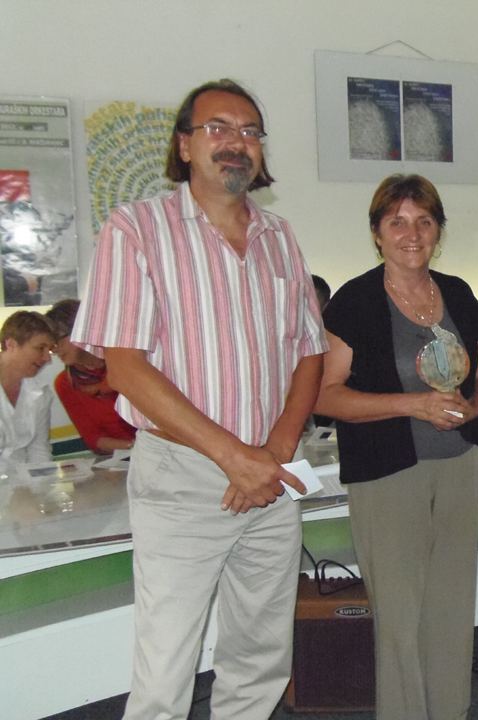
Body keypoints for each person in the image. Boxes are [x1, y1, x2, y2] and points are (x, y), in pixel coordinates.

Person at [72, 79, 326, 720]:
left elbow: (309, 350)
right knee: (165, 673)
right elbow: (126, 368)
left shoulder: (279, 236)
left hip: (270, 475)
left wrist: (273, 451)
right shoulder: (135, 229)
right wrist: (234, 457)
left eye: (249, 131)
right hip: (182, 475)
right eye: (218, 128)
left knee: (261, 659)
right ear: (184, 145)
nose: (236, 142)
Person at [315, 174, 478, 720]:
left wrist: (473, 407)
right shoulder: (354, 301)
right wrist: (413, 405)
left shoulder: (458, 293)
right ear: (377, 233)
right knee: (400, 617)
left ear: (438, 231)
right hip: (388, 474)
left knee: (452, 606)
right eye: (397, 222)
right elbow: (325, 394)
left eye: (424, 221)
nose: (412, 233)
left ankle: (450, 711)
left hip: (459, 465)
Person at [46, 299, 136, 453]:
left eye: (58, 340)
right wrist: (136, 449)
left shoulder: (127, 362)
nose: (54, 349)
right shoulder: (66, 383)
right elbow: (94, 439)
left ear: (81, 330)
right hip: (126, 456)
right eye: (50, 345)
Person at [0, 311, 55, 465]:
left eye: (50, 349)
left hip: (22, 477)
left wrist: (40, 478)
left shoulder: (41, 393)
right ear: (11, 344)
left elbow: (38, 449)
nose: (47, 358)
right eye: (40, 348)